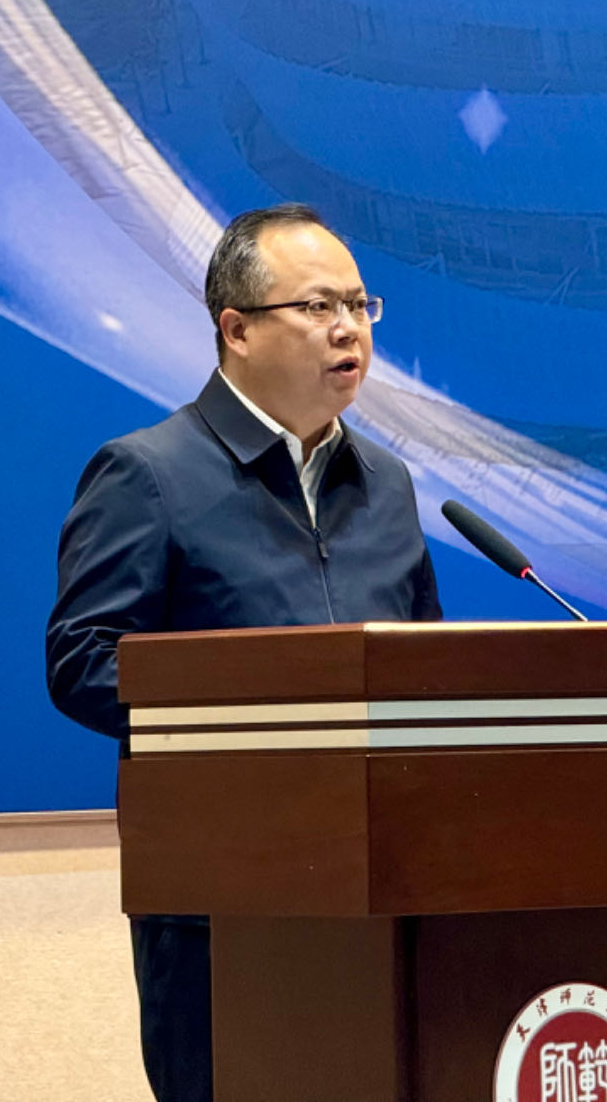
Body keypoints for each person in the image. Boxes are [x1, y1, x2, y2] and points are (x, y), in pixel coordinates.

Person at [45, 203, 442, 1102]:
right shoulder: (148, 473)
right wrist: (260, 711)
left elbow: (422, 669)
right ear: (236, 329)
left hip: (386, 897)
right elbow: (81, 660)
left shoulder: (387, 485)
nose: (348, 328)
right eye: (318, 306)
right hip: (222, 909)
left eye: (360, 305)